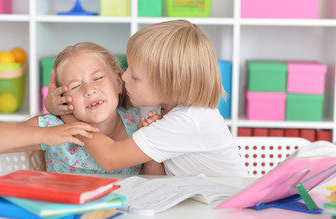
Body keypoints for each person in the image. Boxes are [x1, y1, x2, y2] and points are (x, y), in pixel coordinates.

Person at [45, 20, 248, 177]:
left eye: (134, 76)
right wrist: (54, 104)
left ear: (167, 85)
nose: (123, 77)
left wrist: (70, 117)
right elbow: (155, 180)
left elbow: (110, 158)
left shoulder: (189, 120)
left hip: (229, 211)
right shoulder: (161, 104)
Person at [0, 42, 163, 175]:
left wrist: (151, 145)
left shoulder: (136, 123)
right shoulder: (55, 127)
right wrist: (46, 135)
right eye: (75, 86)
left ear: (118, 83)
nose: (90, 90)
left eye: (98, 78)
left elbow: (155, 183)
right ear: (63, 98)